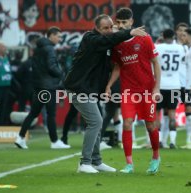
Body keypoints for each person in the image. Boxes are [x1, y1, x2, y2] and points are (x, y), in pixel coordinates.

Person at [64, 14, 147, 174]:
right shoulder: (90, 38)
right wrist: (129, 32)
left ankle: (96, 161)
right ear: (96, 28)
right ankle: (85, 163)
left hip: (89, 89)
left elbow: (106, 66)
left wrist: (105, 89)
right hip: (78, 88)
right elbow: (106, 41)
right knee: (96, 121)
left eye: (111, 27)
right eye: (105, 28)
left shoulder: (107, 44)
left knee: (96, 122)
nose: (109, 30)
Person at [106, 8, 161, 174]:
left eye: (125, 22)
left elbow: (156, 64)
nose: (121, 26)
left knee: (150, 125)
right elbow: (117, 67)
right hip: (128, 90)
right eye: (119, 23)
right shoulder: (117, 43)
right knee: (127, 123)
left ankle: (156, 157)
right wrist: (109, 85)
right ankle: (129, 164)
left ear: (131, 22)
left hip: (146, 90)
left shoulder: (144, 39)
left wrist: (156, 88)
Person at [14, 26, 70, 149]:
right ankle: (55, 141)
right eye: (58, 36)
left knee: (33, 113)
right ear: (51, 35)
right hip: (49, 86)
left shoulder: (37, 49)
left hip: (39, 86)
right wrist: (62, 74)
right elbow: (51, 67)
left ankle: (20, 137)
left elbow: (37, 68)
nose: (60, 39)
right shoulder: (50, 49)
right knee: (51, 114)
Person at [155, 29, 185, 149]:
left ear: (163, 36)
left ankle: (159, 141)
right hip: (174, 85)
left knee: (158, 114)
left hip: (161, 85)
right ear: (173, 36)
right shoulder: (180, 48)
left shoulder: (158, 47)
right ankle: (172, 142)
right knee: (172, 114)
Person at [0, 42, 12, 125]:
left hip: (7, 86)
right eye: (3, 47)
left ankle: (1, 124)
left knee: (4, 106)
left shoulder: (6, 58)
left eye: (5, 47)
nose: (5, 48)